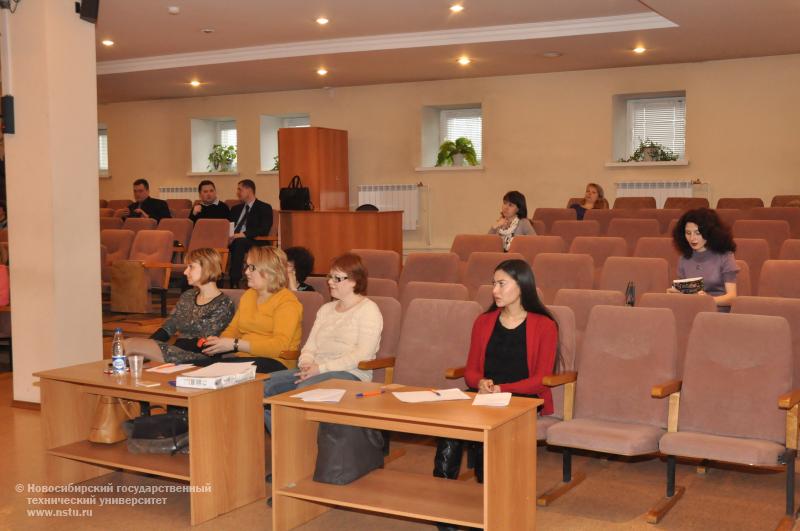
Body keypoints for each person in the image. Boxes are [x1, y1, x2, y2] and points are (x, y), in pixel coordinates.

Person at [432, 259, 560, 530]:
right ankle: (445, 508)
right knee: (450, 426)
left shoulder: (544, 325)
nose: (495, 290)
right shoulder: (484, 321)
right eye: (494, 283)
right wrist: (481, 382)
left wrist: (502, 388)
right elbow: (470, 371)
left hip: (522, 400)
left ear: (522, 286)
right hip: (484, 397)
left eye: (502, 283)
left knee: (487, 429)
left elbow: (540, 380)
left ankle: (488, 500)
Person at [262, 253, 383, 431]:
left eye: (337, 278)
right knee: (262, 386)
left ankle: (299, 446)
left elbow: (361, 355)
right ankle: (287, 447)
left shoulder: (368, 310)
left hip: (351, 373)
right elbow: (310, 345)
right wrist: (305, 363)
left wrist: (319, 369)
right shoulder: (326, 309)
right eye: (330, 276)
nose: (330, 282)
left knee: (303, 390)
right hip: (314, 370)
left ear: (354, 281)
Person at [123, 248, 234, 363]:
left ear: (207, 268)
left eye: (191, 266)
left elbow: (204, 343)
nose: (185, 272)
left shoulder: (223, 303)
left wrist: (151, 348)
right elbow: (168, 327)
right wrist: (148, 345)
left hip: (201, 358)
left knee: (133, 345)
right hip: (177, 351)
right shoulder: (188, 296)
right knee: (129, 344)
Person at [202, 246, 302, 373]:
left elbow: (279, 346)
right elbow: (233, 329)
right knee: (191, 367)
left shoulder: (287, 302)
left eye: (252, 267)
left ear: (269, 271)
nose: (246, 272)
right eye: (247, 266)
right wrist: (219, 342)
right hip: (245, 359)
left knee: (210, 370)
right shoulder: (249, 295)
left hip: (276, 362)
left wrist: (235, 344)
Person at [669, 208, 738, 310]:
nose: (692, 238)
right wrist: (674, 294)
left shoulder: (725, 256)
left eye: (697, 233)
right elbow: (684, 291)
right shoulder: (684, 258)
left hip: (717, 312)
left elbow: (732, 298)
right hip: (691, 309)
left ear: (709, 233)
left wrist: (706, 300)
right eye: (688, 233)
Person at [227, 179, 274, 288]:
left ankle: (234, 280)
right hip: (234, 239)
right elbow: (229, 226)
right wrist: (228, 236)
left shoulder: (264, 207)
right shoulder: (235, 209)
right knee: (219, 242)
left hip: (255, 241)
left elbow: (264, 229)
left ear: (249, 190)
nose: (238, 192)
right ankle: (214, 279)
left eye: (240, 189)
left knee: (239, 242)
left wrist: (243, 234)